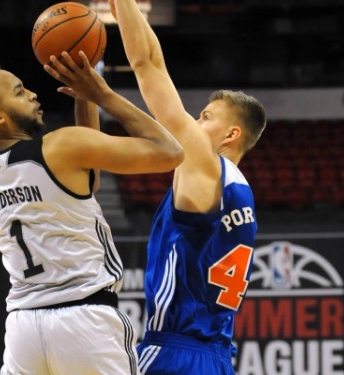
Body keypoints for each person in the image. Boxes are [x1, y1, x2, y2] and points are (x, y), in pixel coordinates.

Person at [0, 52, 183, 375]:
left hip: (23, 328)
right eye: (18, 92)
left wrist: (84, 101)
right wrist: (101, 94)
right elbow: (170, 152)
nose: (32, 94)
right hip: (84, 318)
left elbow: (86, 179)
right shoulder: (60, 146)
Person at [108, 0, 267, 374]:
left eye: (206, 117)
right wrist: (129, 14)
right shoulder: (239, 190)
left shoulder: (206, 165)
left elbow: (149, 66)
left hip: (173, 353)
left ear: (232, 134)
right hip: (217, 358)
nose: (195, 122)